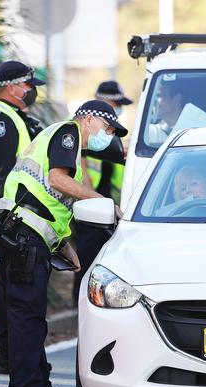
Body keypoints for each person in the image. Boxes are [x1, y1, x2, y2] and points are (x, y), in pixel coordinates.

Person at [0, 100, 128, 387]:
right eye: (107, 128)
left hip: (31, 235)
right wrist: (104, 201)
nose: (107, 136)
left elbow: (47, 201)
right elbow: (57, 180)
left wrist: (63, 245)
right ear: (90, 119)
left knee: (33, 318)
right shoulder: (67, 133)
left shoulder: (63, 140)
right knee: (26, 317)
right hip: (24, 235)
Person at [0, 60, 45, 374]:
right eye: (29, 85)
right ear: (14, 87)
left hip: (12, 215)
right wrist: (17, 216)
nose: (32, 91)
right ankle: (9, 356)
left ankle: (10, 356)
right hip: (7, 217)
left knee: (11, 288)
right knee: (12, 291)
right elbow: (5, 175)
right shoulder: (0, 119)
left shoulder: (16, 117)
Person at [72, 81, 131, 304]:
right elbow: (82, 172)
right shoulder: (83, 132)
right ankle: (81, 302)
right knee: (87, 259)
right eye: (116, 104)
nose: (119, 109)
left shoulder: (106, 134)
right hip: (91, 204)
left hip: (106, 199)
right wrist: (94, 203)